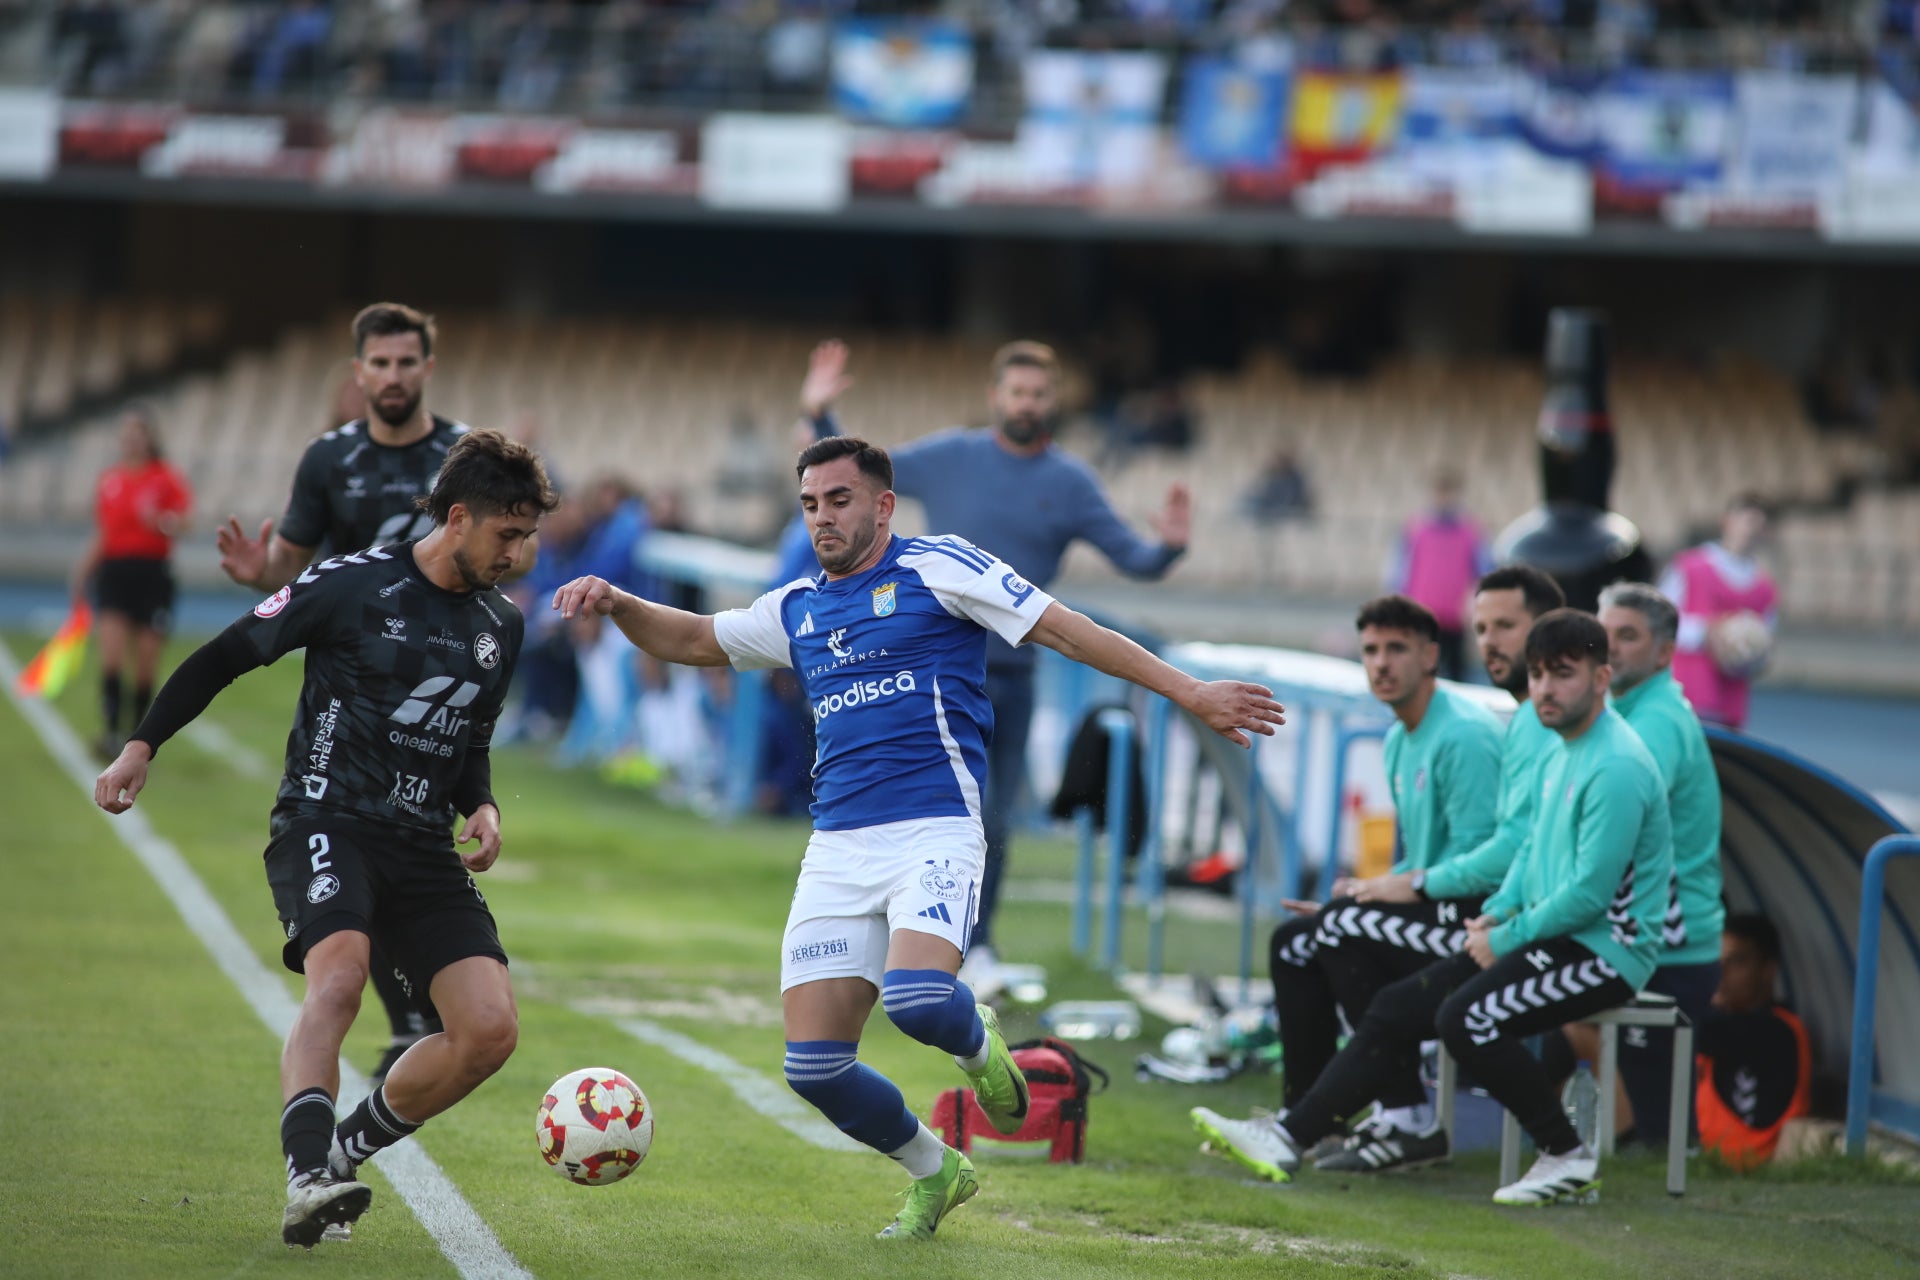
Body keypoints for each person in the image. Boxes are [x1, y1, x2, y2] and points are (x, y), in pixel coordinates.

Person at [551, 436, 1282, 1239]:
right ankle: (938, 1172)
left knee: (919, 999)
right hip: (837, 847)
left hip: (935, 828)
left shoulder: (942, 567)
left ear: (882, 505)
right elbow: (693, 639)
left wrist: (1189, 692)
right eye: (810, 504)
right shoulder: (795, 607)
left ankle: (981, 1053)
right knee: (815, 1069)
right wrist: (620, 605)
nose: (823, 517)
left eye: (839, 500)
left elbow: (1067, 630)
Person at [94, 430, 556, 1248]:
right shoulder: (353, 586)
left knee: (489, 1031)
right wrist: (141, 743)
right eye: (507, 535)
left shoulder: (500, 624)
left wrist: (480, 806)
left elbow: (470, 737)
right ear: (458, 517)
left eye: (527, 537)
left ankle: (344, 1153)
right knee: (339, 977)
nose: (519, 554)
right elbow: (227, 655)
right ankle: (305, 1176)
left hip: (421, 845)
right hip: (326, 820)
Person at [1192, 610, 1672, 1206]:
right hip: (1539, 933)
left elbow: (1588, 895)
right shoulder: (1560, 747)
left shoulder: (1616, 764)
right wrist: (1499, 914)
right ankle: (1293, 1135)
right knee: (1396, 1005)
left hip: (1605, 950)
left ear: (1601, 680)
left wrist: (1504, 931)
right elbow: (1529, 855)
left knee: (1465, 1017)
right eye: (1540, 674)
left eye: (1563, 675)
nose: (1546, 689)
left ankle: (1565, 1153)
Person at [799, 338, 1191, 996]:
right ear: (995, 397)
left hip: (1008, 680)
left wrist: (1169, 548)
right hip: (927, 676)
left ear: (1053, 401)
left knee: (992, 820)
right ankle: (883, 936)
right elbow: (862, 476)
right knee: (899, 809)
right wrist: (819, 417)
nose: (1026, 404)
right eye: (1016, 392)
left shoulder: (1070, 484)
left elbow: (1135, 558)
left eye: (1039, 394)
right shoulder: (953, 455)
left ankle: (973, 947)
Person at [215, 301, 477, 1084]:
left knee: (416, 827)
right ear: (357, 370)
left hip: (439, 670)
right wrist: (258, 571)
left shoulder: (461, 455)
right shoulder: (328, 460)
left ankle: (412, 1011)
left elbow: (500, 548)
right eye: (380, 363)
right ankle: (407, 1017)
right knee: (354, 820)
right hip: (351, 678)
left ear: (427, 367)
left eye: (407, 363)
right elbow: (290, 563)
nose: (393, 376)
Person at [1240, 594, 1502, 1175]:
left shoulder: (1465, 735)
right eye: (1371, 650)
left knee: (1336, 927)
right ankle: (1309, 1122)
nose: (1381, 663)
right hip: (1438, 911)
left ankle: (1398, 1117)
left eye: (1397, 649)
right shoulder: (1399, 738)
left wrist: (1382, 896)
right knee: (1296, 940)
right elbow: (1430, 865)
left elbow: (1490, 867)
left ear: (1431, 654)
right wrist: (1369, 893)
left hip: (1479, 926)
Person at [1545, 583, 1723, 1147]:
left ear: (1666, 653)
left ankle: (1594, 1152)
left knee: (1663, 1131)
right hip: (1641, 931)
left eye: (1628, 635)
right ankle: (1577, 1145)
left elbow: (1620, 824)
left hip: (1668, 941)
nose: (1611, 646)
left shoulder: (1657, 723)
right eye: (1605, 632)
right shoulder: (1622, 713)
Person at [70, 406, 193, 758]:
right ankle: (110, 734)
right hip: (115, 573)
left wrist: (161, 521)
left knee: (145, 664)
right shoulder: (110, 480)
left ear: (149, 437)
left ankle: (138, 741)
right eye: (125, 433)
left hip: (152, 574)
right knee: (110, 655)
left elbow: (184, 522)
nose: (131, 439)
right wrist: (83, 571)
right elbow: (105, 533)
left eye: (137, 432)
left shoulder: (165, 478)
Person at [1696, 914, 1811, 1169]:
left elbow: (1695, 1028)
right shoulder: (1727, 1022)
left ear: (1768, 970)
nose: (1721, 973)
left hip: (1750, 1167)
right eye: (1716, 963)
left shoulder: (1776, 1029)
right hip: (1712, 1165)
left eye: (1736, 962)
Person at [1658, 494, 1778, 731]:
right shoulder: (1690, 567)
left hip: (1728, 703)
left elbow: (1765, 640)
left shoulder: (1764, 588)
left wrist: (1751, 652)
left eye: (1757, 525)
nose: (1749, 531)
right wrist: (1708, 633)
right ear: (1727, 521)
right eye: (1745, 522)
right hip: (1684, 694)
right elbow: (1659, 621)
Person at [1387, 471, 1495, 682]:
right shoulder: (1416, 529)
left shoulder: (1471, 531)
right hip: (1423, 613)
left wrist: (1476, 604)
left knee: (1456, 672)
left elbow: (1484, 570)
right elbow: (1400, 570)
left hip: (1454, 615)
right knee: (1424, 670)